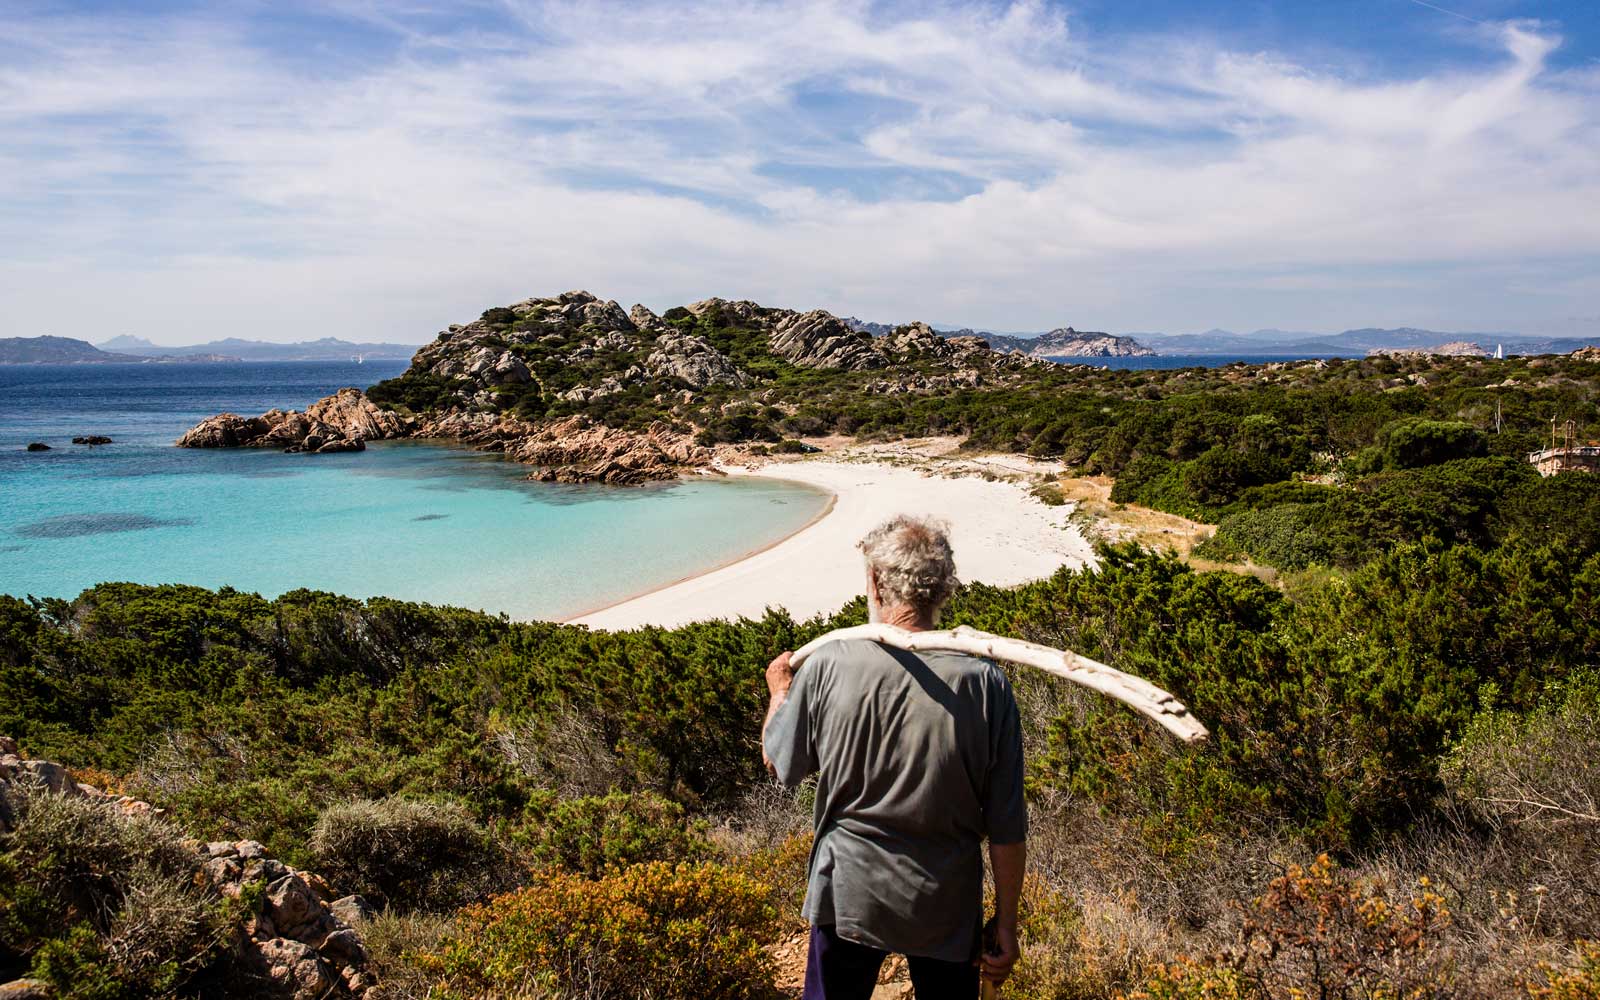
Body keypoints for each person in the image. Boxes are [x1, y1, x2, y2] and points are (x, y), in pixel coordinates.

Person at [762, 514, 1027, 1000]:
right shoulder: (985, 683)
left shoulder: (828, 664)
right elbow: (1007, 825)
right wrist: (1006, 924)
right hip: (943, 900)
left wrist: (780, 693)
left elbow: (780, 764)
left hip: (847, 890)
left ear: (877, 584)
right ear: (944, 587)